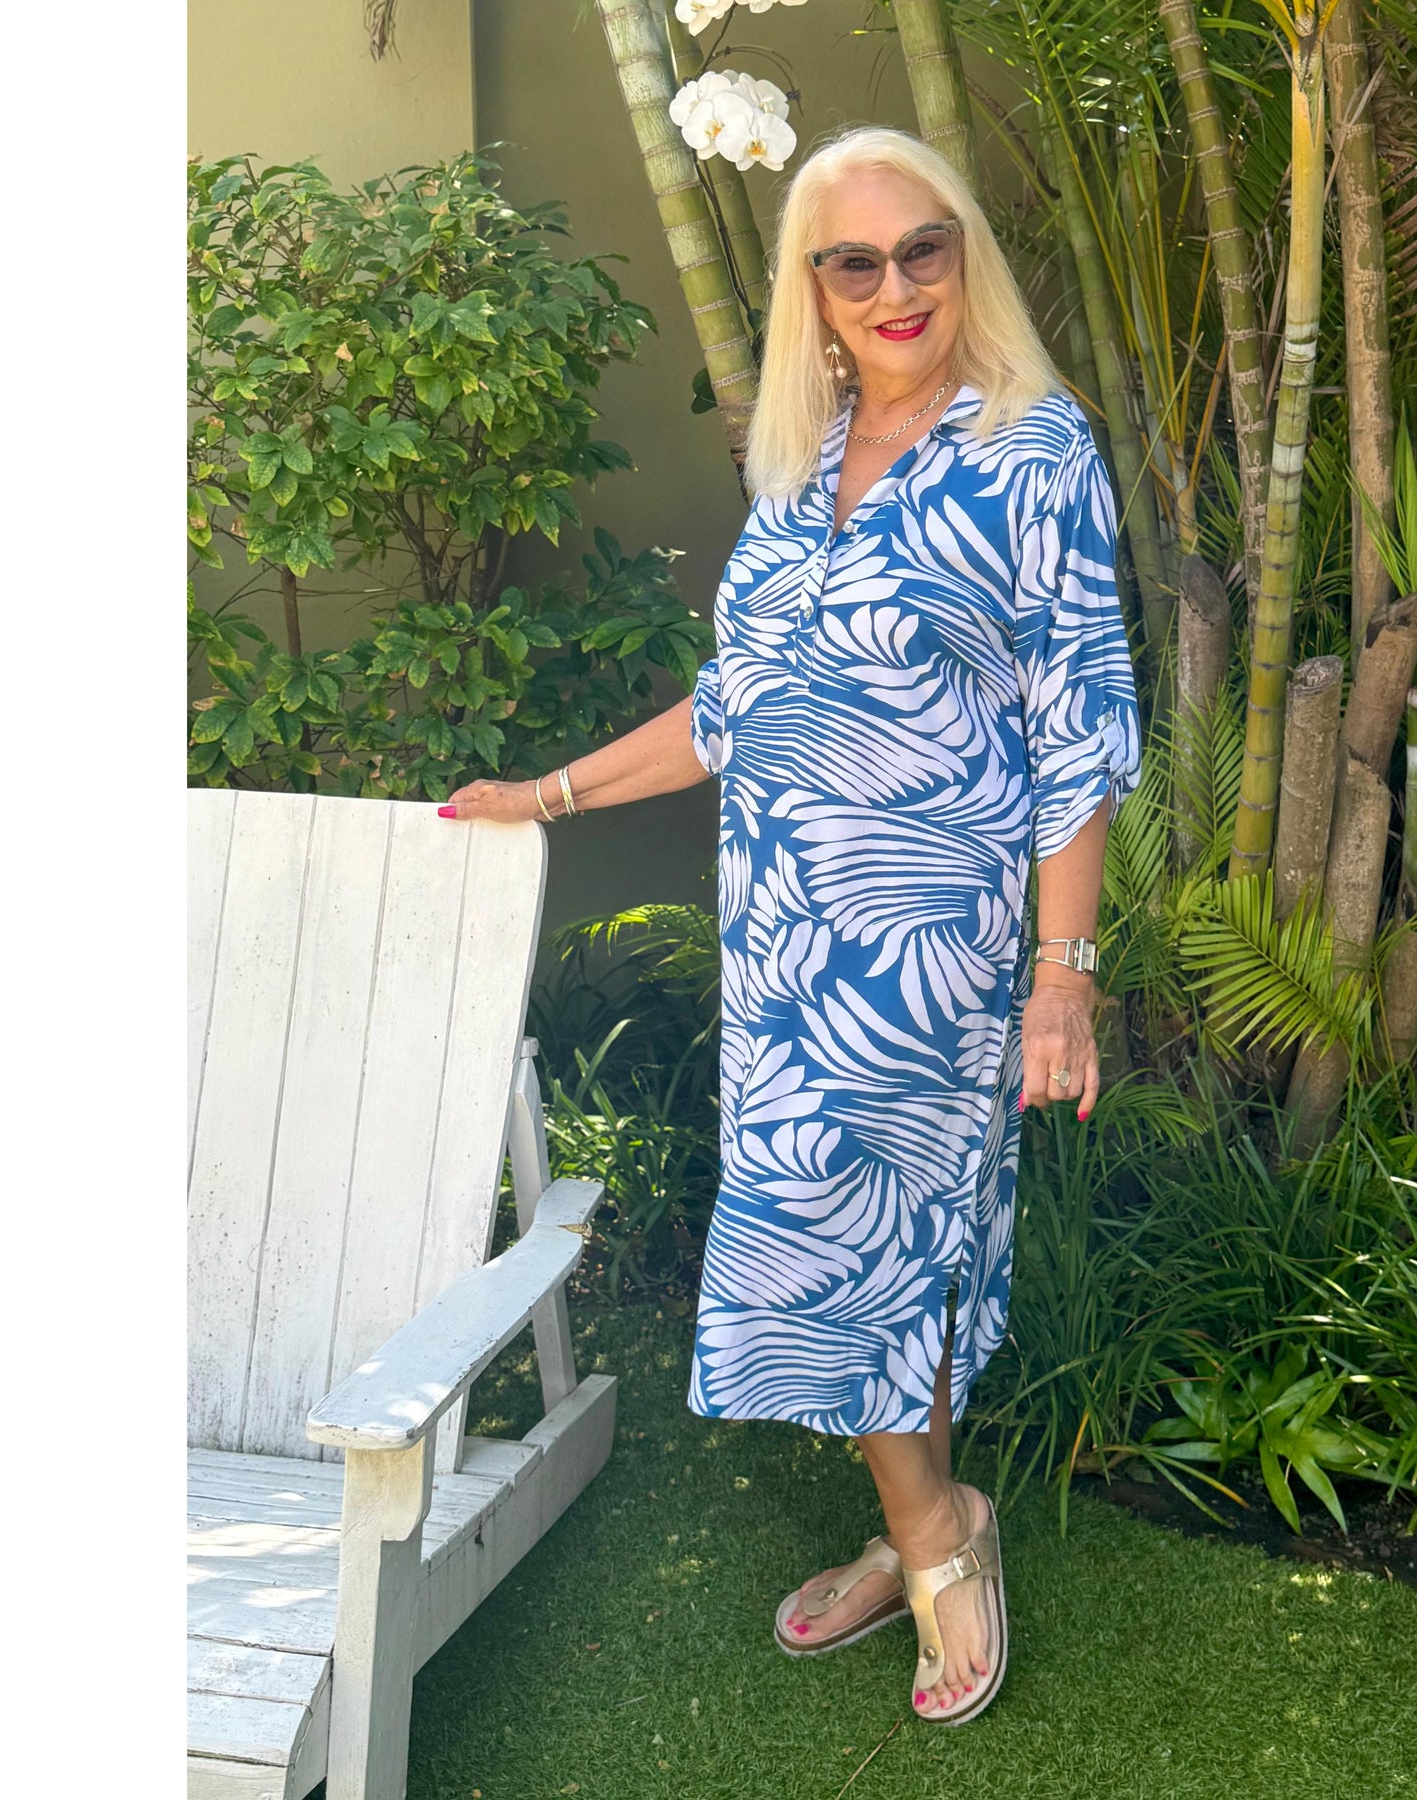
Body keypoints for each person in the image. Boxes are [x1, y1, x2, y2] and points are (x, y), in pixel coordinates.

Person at [441, 124, 1141, 1727]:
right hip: (781, 945)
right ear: (812, 291)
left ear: (963, 257)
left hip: (932, 946)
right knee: (884, 1243)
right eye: (855, 262)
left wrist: (1065, 975)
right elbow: (736, 707)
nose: (896, 288)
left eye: (922, 250)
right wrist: (544, 794)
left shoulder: (1032, 448)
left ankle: (933, 1533)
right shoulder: (802, 463)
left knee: (861, 1229)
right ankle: (931, 1516)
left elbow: (1079, 725)